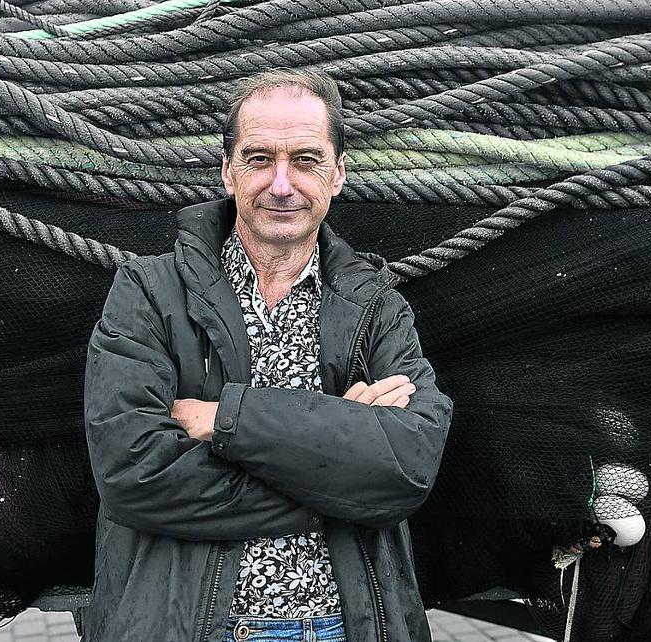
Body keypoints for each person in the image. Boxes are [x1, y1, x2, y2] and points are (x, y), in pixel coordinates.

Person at [81, 70, 454, 642]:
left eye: (306, 160)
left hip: (347, 628)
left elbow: (408, 468)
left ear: (338, 173)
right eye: (259, 159)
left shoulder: (377, 307)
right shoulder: (149, 293)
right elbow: (133, 473)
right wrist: (339, 462)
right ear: (227, 171)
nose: (282, 184)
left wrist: (225, 420)